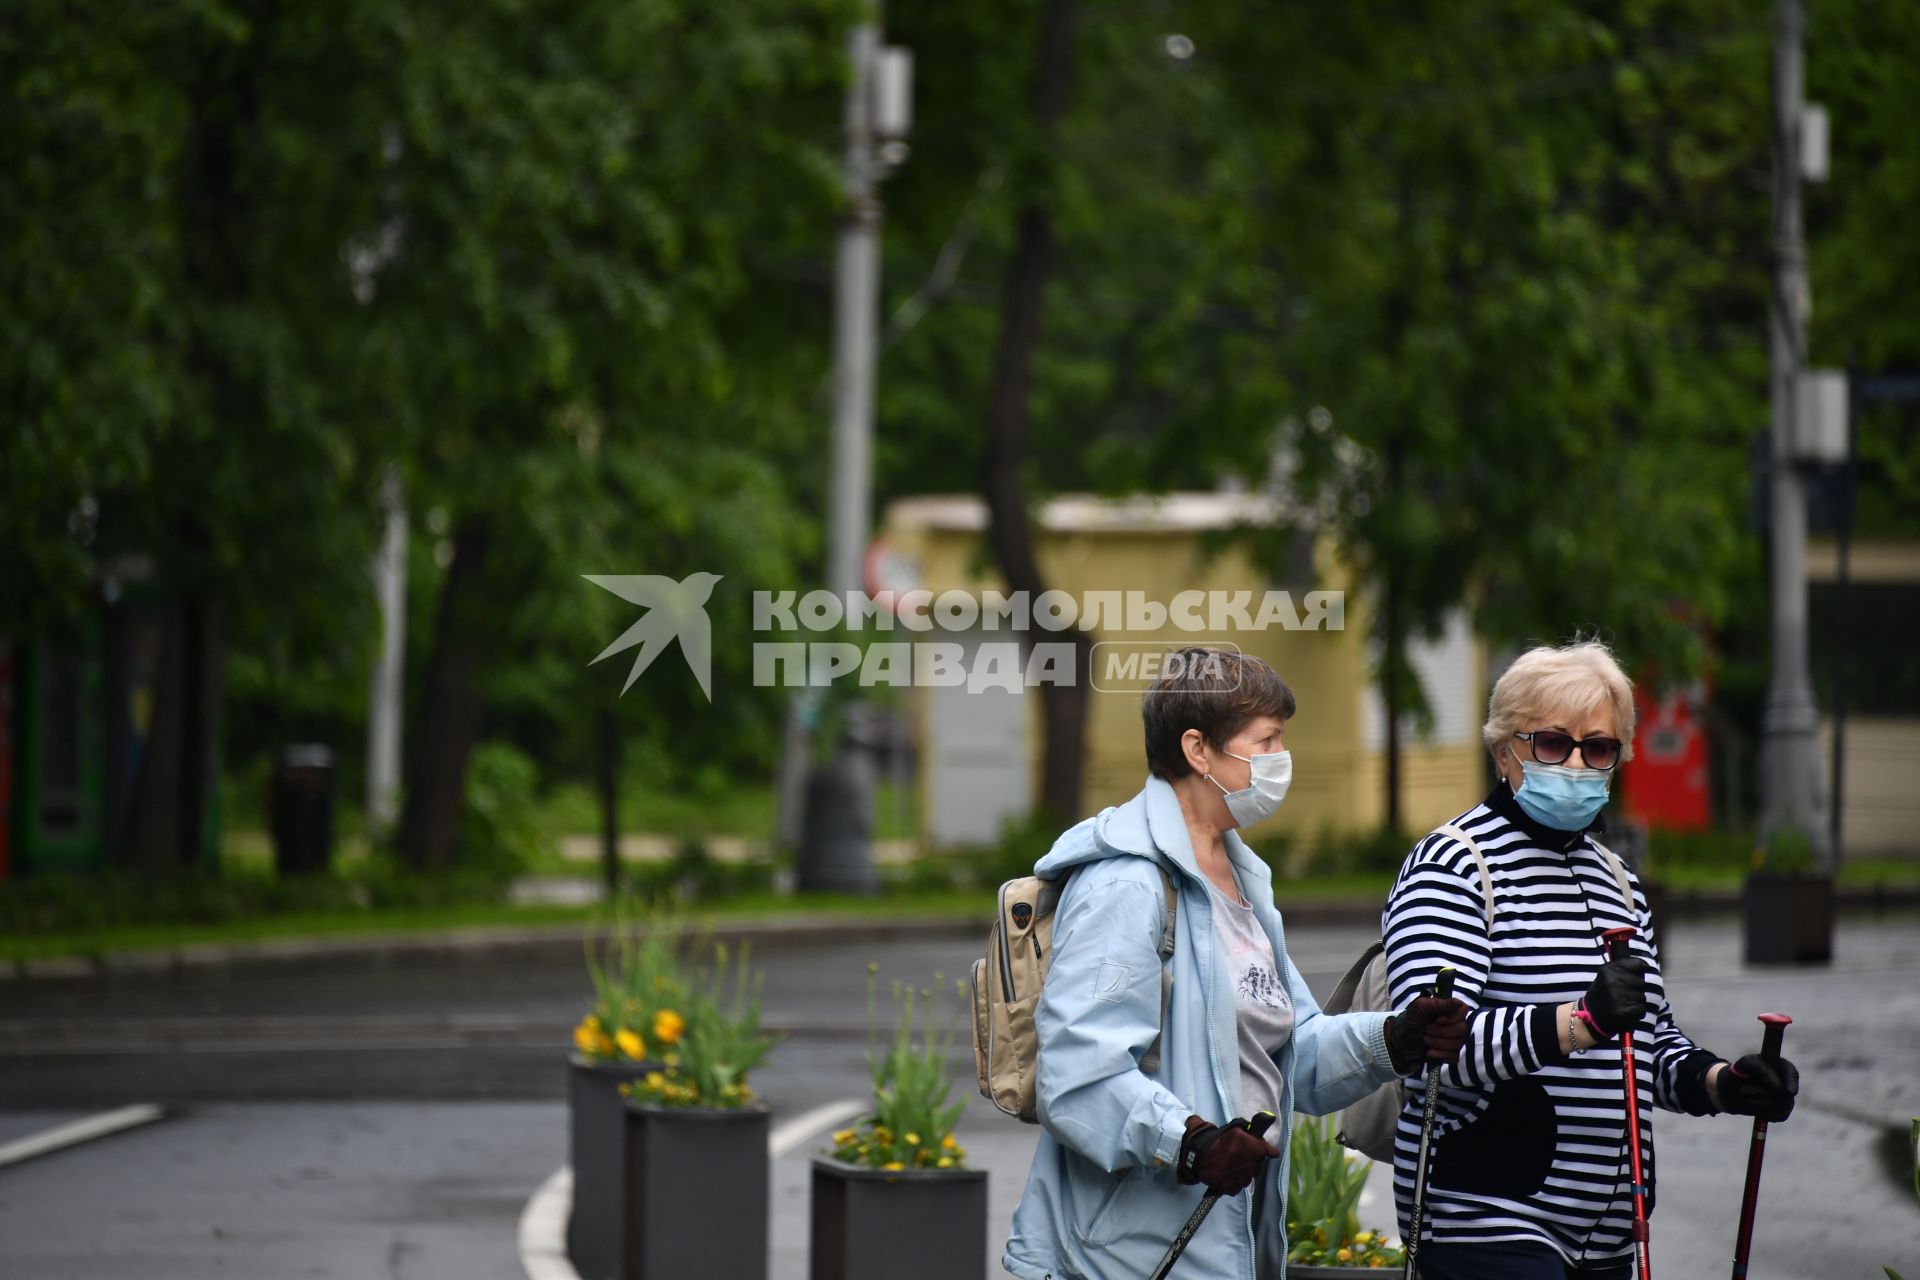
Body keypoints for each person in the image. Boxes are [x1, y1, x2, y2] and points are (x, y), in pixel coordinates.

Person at [1004, 647, 1468, 1280]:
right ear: (1199, 751)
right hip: (1119, 1257)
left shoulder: (1243, 879)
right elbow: (1078, 1077)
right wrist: (1190, 1143)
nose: (1281, 760)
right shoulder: (1127, 885)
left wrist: (1395, 1037)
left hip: (1220, 1241)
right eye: (1267, 740)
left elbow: (1290, 1052)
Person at [1380, 640, 1802, 1279]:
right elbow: (1434, 1047)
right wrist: (1580, 1021)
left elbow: (1647, 1043)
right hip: (1488, 1222)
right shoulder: (1455, 864)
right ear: (1504, 752)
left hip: (1608, 1237)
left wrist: (1723, 1083)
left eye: (1598, 748)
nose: (1577, 764)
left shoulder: (1619, 881)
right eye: (1552, 743)